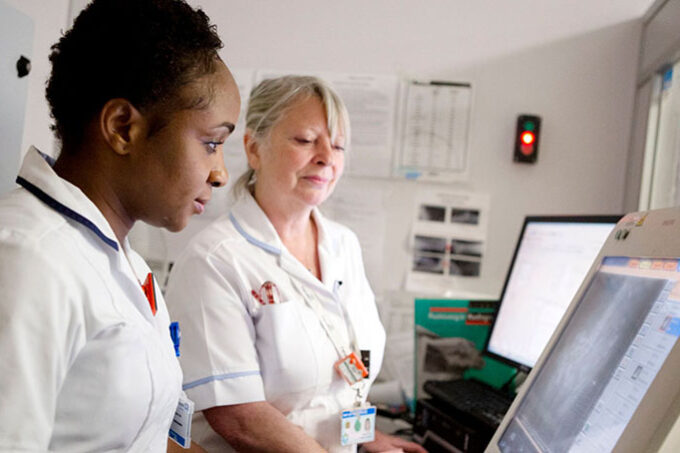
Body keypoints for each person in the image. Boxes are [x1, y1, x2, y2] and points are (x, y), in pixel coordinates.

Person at [0, 0, 240, 451]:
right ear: (122, 127)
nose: (220, 173)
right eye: (211, 143)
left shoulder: (123, 261)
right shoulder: (27, 258)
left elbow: (143, 437)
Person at [165, 76, 426, 453]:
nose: (326, 157)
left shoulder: (343, 245)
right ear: (254, 149)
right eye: (305, 140)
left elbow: (341, 382)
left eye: (337, 146)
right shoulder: (215, 260)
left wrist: (367, 438)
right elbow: (240, 417)